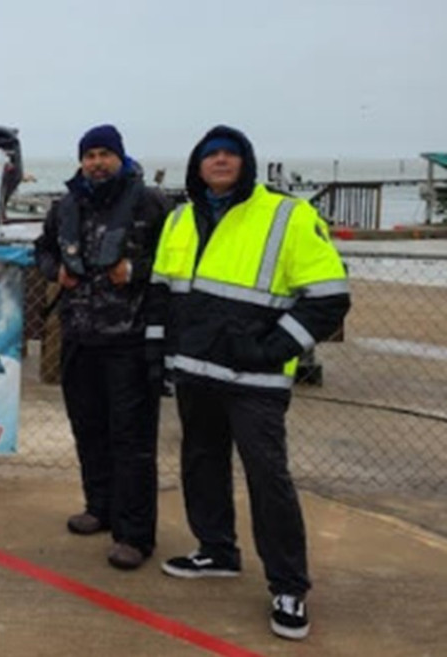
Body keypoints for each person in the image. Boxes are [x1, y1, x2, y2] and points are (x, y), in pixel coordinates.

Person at [148, 125, 350, 640]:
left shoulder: (287, 215)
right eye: (210, 154)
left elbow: (329, 297)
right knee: (201, 461)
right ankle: (216, 550)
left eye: (229, 154)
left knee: (268, 478)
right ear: (196, 164)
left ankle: (288, 586)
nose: (219, 161)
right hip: (195, 373)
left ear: (246, 162)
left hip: (256, 381)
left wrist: (273, 349)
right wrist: (157, 354)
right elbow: (162, 294)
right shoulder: (179, 218)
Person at [33, 124, 169, 570]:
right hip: (78, 336)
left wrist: (135, 271)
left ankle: (135, 534)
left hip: (130, 341)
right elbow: (44, 251)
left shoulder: (150, 203)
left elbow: (178, 261)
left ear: (121, 158)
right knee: (89, 429)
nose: (96, 162)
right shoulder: (65, 206)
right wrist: (56, 273)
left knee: (132, 440)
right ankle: (100, 507)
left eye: (104, 154)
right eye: (89, 155)